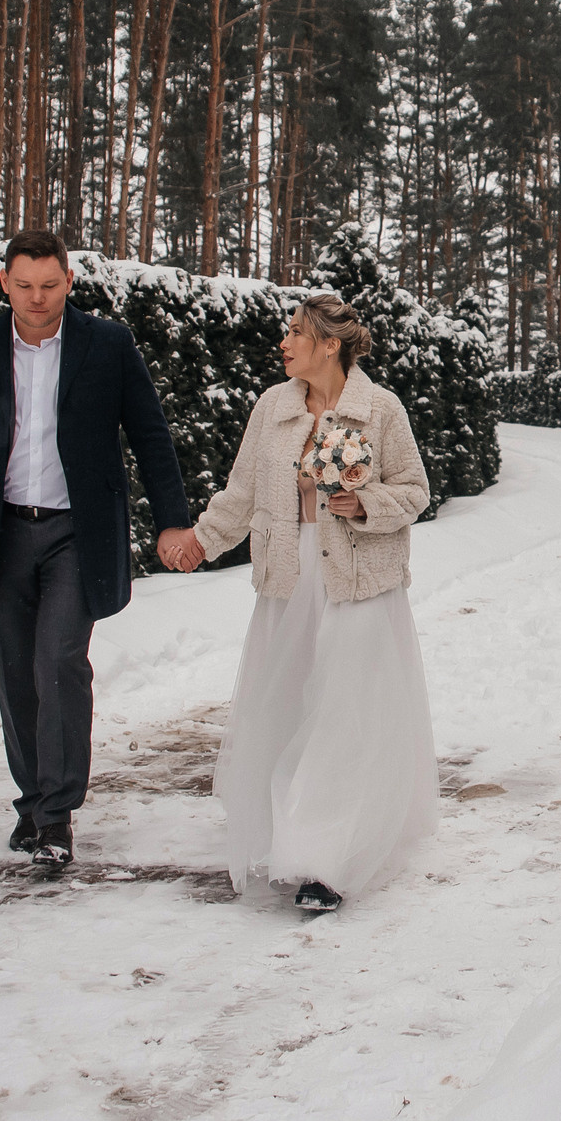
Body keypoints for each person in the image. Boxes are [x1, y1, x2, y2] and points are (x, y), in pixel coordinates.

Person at [0, 228, 197, 871]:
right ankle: (32, 801)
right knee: (15, 670)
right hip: (2, 533)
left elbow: (151, 435)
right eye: (24, 287)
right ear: (3, 284)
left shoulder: (107, 345)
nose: (37, 299)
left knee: (58, 659)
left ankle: (57, 816)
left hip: (78, 532)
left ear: (69, 282)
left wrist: (173, 522)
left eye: (49, 286)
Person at [157, 295, 436, 913]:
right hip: (289, 574)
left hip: (360, 579)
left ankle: (325, 863)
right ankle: (290, 831)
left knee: (345, 711)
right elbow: (242, 493)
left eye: (294, 332)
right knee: (286, 702)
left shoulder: (380, 409)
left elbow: (415, 489)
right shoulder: (272, 409)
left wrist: (367, 506)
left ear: (329, 344)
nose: (282, 342)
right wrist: (201, 542)